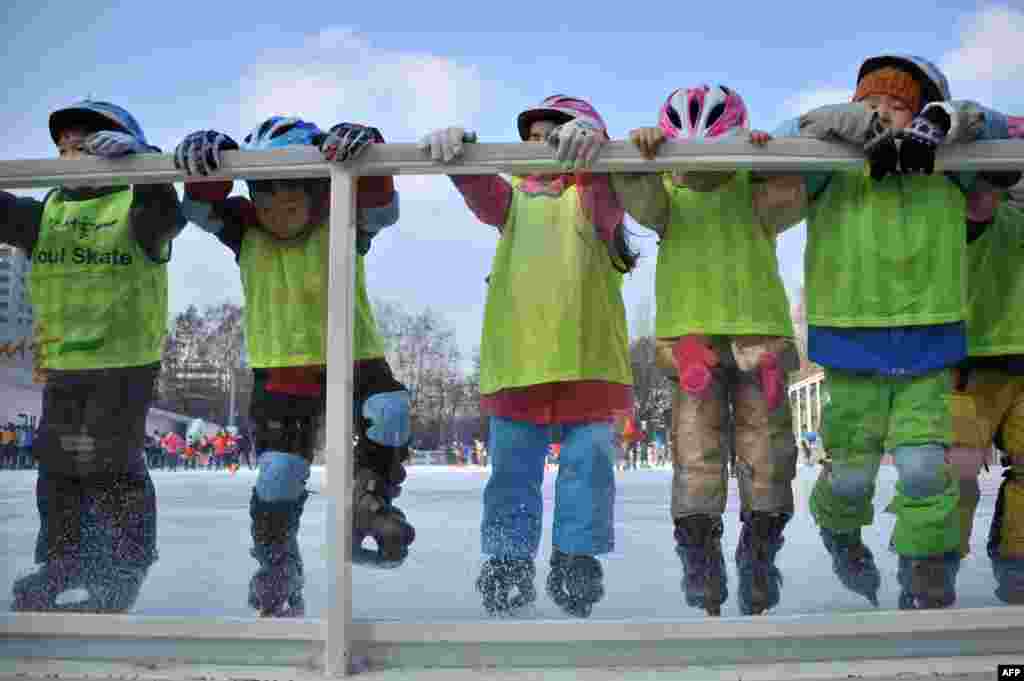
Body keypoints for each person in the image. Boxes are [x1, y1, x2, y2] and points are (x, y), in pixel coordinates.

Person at [772, 55, 1012, 609]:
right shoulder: (830, 164)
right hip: (851, 340)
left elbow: (1006, 130)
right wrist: (850, 127)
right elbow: (779, 142)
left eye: (896, 105)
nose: (880, 111)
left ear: (922, 113)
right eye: (867, 104)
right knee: (852, 477)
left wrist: (948, 124)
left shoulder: (950, 164)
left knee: (926, 469)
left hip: (928, 340)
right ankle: (839, 529)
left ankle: (924, 570)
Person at [175, 116, 414, 616]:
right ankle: (277, 561)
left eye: (290, 201)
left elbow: (382, 207)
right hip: (282, 369)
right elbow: (197, 206)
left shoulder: (341, 216)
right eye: (265, 199)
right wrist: (214, 156)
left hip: (353, 353)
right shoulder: (244, 229)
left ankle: (369, 500)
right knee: (279, 474)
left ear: (316, 192)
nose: (277, 213)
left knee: (389, 411)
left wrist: (366, 142)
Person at [420, 94, 636, 618]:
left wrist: (596, 153)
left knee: (589, 467)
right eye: (532, 139)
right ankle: (508, 563)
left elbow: (604, 193)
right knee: (513, 473)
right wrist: (462, 155)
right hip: (519, 363)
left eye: (554, 135)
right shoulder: (513, 201)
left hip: (589, 362)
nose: (541, 148)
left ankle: (576, 557)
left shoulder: (593, 198)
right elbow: (482, 192)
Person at [613, 84, 800, 616]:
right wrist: (640, 157)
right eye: (686, 152)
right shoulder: (668, 194)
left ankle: (760, 549)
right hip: (690, 339)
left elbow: (789, 200)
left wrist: (770, 161)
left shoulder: (750, 184)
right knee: (696, 452)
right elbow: (639, 199)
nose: (699, 168)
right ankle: (700, 552)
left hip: (757, 334)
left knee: (770, 452)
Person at [1, 100, 183, 612]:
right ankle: (63, 559)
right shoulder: (46, 214)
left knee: (108, 460)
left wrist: (144, 165)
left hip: (124, 361)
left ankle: (123, 564)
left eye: (82, 148)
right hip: (64, 363)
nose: (68, 157)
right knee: (56, 463)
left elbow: (166, 215)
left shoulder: (135, 209)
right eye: (61, 149)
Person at [948, 168, 1024, 605]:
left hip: (992, 354)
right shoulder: (976, 197)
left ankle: (1014, 562)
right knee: (954, 475)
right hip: (973, 354)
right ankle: (934, 567)